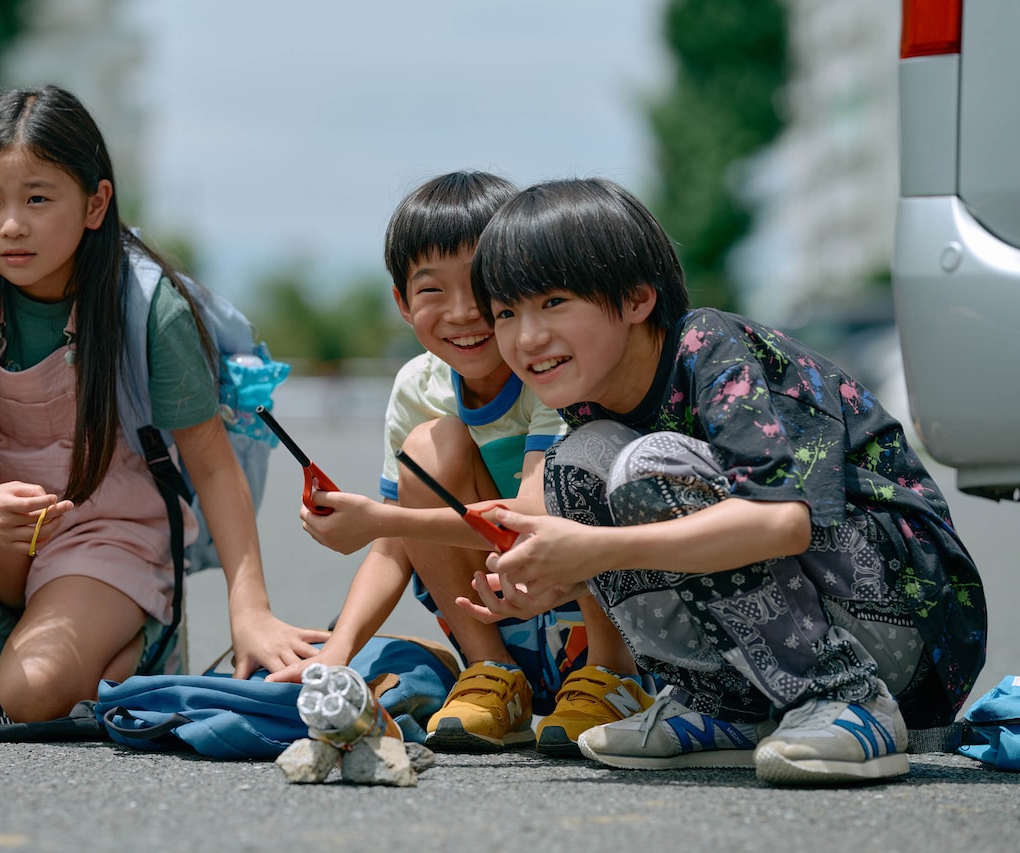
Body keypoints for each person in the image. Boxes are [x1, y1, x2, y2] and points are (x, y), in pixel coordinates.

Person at [461, 177, 988, 784]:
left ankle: (846, 701)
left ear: (636, 299)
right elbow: (647, 545)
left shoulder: (715, 351)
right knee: (578, 467)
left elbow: (782, 522)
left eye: (553, 303)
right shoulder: (592, 404)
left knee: (651, 464)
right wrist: (557, 581)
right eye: (506, 313)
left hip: (909, 628)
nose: (526, 338)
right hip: (815, 616)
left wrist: (596, 550)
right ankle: (726, 707)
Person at [0, 85, 327, 723]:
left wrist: (250, 612)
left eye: (37, 198)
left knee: (28, 697)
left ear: (95, 203)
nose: (11, 225)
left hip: (110, 536)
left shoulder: (147, 308)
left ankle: (143, 643)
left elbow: (215, 468)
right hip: (2, 530)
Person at [266, 172, 653, 757]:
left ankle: (612, 676)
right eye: (431, 291)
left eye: (481, 286)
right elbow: (392, 547)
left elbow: (530, 515)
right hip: (504, 607)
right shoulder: (419, 387)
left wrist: (380, 518)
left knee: (586, 459)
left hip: (601, 609)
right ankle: (495, 674)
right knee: (430, 446)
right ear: (401, 302)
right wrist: (336, 656)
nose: (463, 312)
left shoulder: (553, 368)